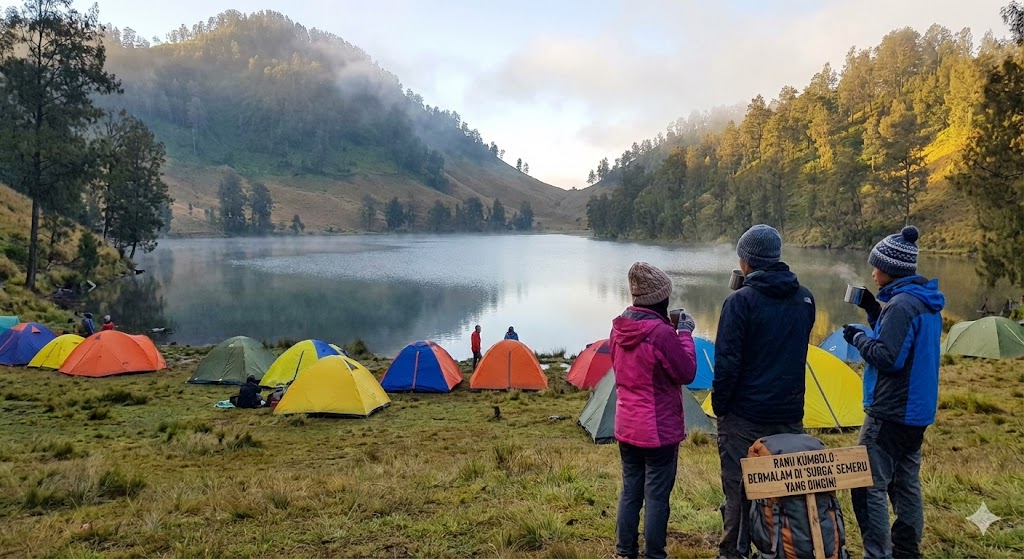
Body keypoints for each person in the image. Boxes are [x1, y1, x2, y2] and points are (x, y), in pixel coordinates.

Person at [712, 224, 816, 559]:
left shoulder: (740, 302)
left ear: (745, 261)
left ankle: (734, 552)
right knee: (785, 490)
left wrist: (721, 408)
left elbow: (727, 364)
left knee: (739, 491)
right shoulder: (805, 299)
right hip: (789, 414)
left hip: (745, 416)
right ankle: (784, 549)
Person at [843, 225, 944, 559]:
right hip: (916, 411)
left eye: (876, 266)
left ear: (891, 269)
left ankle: (877, 553)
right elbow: (903, 344)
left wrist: (857, 338)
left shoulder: (901, 306)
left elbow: (888, 357)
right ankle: (906, 550)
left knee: (868, 483)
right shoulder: (924, 302)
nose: (872, 271)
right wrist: (875, 312)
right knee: (905, 483)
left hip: (890, 411)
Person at [610, 262, 697, 559]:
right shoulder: (661, 334)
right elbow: (686, 372)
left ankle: (625, 552)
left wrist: (671, 331)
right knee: (657, 497)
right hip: (658, 430)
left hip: (626, 425)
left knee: (630, 491)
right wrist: (683, 333)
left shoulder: (621, 326)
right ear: (661, 298)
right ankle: (655, 554)